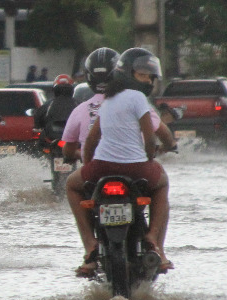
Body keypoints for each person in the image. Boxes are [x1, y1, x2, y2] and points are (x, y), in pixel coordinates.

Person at [64, 47, 175, 276]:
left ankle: (90, 245)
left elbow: (91, 140)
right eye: (143, 75)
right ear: (128, 73)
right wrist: (150, 157)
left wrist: (88, 166)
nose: (148, 81)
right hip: (137, 169)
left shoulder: (108, 100)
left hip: (101, 167)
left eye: (149, 76)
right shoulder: (138, 98)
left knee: (71, 185)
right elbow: (150, 137)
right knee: (162, 184)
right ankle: (154, 240)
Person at [35, 74, 77, 145]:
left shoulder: (48, 105)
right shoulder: (78, 104)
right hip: (71, 141)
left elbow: (38, 121)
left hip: (53, 140)